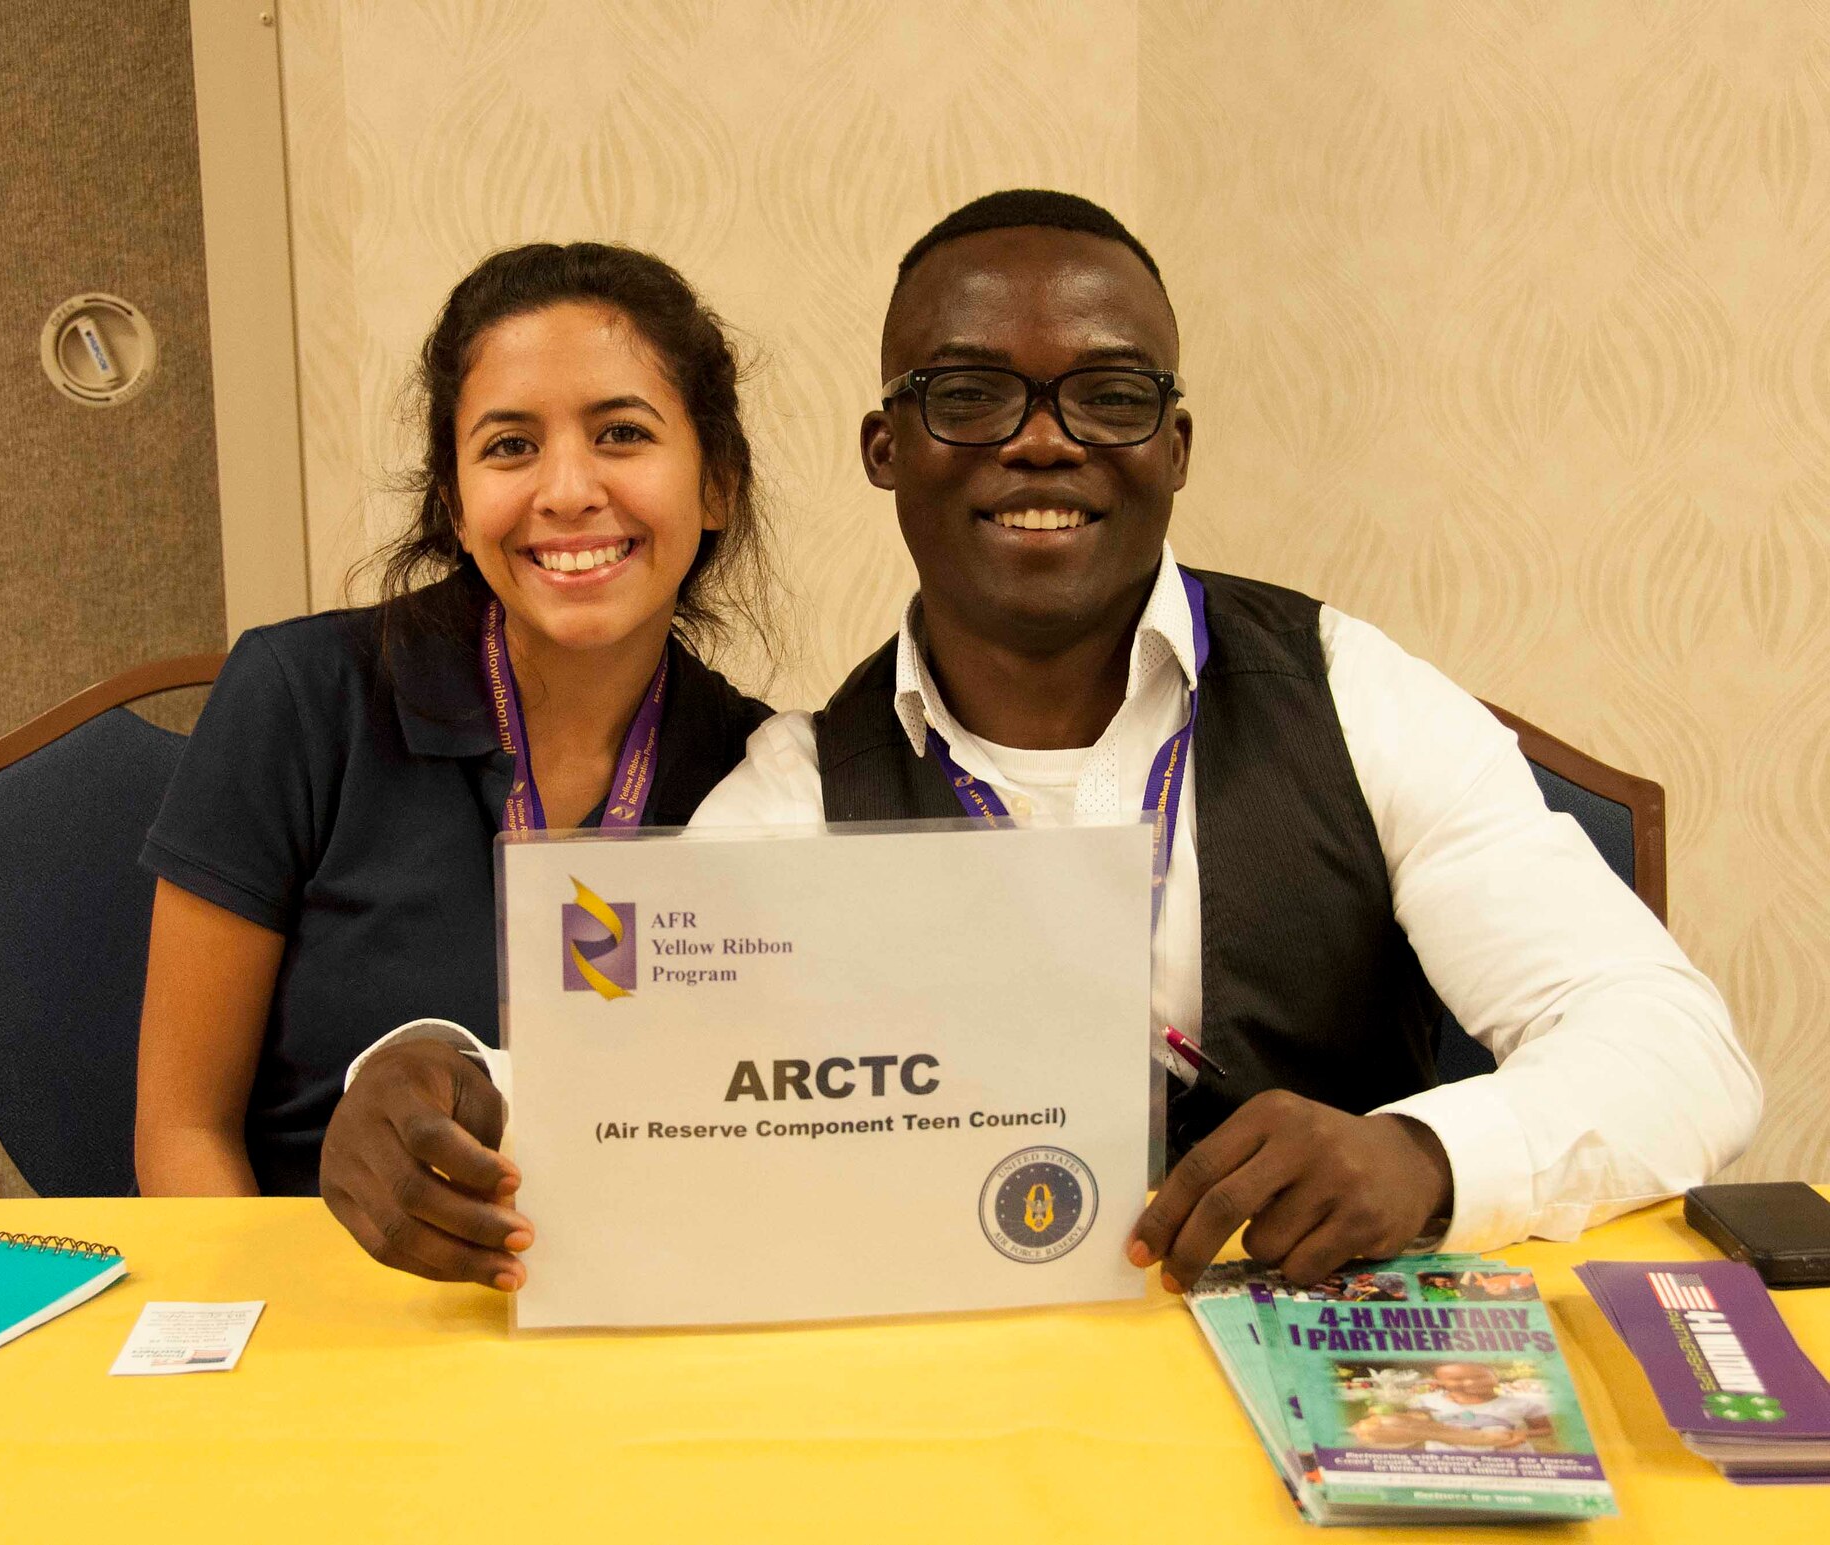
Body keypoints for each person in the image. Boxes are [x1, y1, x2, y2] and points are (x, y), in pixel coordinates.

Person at [321, 190, 1759, 1294]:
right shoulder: (802, 785)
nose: (1042, 441)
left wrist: (1428, 1156)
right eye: (968, 395)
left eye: (1110, 394)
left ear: (1177, 446)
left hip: (1326, 1384)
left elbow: (1680, 1052)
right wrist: (436, 1076)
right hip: (981, 1406)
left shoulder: (1354, 691)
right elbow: (612, 1075)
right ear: (887, 448)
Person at [133, 242, 775, 1232]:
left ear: (716, 482)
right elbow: (182, 1133)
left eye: (620, 434)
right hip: (329, 1311)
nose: (566, 491)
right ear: (454, 500)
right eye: (509, 446)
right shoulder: (300, 701)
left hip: (624, 1316)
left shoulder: (766, 777)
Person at [1402, 1363, 1555, 1451]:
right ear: (1438, 1382)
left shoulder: (1523, 1404)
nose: (1470, 1383)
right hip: (1448, 1466)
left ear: (1495, 1376)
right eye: (1456, 1379)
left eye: (1479, 1377)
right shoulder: (1424, 1402)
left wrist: (1524, 1434)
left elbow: (1545, 1429)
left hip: (1508, 1465)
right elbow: (1413, 1427)